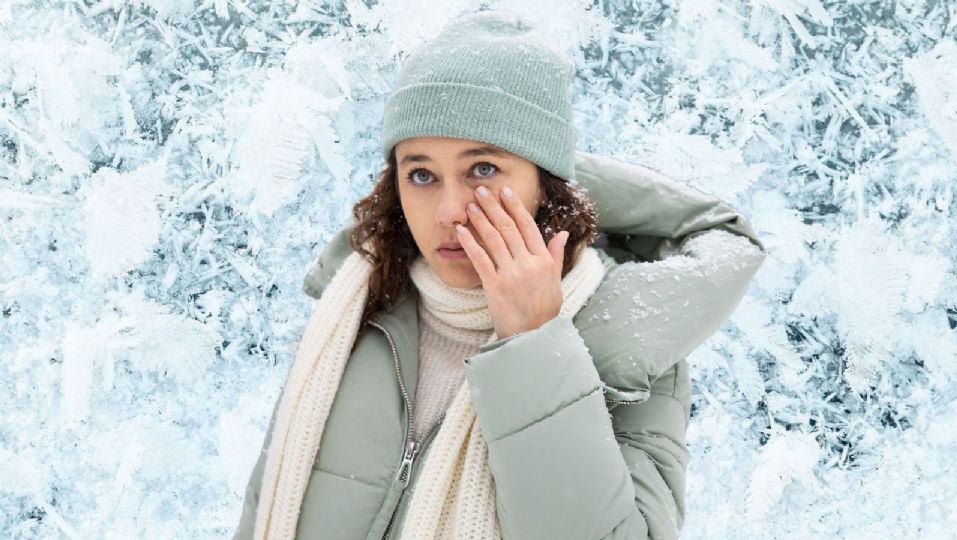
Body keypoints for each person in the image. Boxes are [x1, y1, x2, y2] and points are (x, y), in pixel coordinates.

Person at [233, 9, 767, 540]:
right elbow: (264, 508)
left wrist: (536, 347)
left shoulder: (620, 348)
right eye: (421, 174)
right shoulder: (355, 309)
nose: (448, 210)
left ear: (546, 182)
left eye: (483, 169)